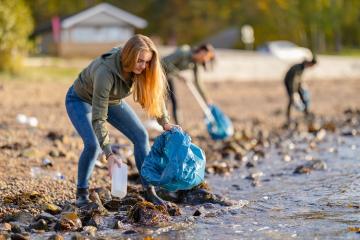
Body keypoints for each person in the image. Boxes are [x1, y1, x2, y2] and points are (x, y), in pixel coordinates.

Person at [65, 34, 179, 207]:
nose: (144, 66)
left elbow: (153, 96)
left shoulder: (142, 68)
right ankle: (82, 194)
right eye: (140, 61)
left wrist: (165, 122)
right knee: (93, 145)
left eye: (147, 61)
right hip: (80, 99)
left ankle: (149, 191)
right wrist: (109, 153)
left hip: (112, 100)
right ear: (129, 56)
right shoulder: (106, 72)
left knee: (141, 135)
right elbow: (98, 117)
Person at [162, 44, 215, 124]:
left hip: (169, 76)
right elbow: (165, 62)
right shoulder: (184, 52)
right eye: (207, 57)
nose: (206, 60)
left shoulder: (196, 64)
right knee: (164, 99)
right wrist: (179, 75)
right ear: (202, 52)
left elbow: (198, 82)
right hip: (159, 73)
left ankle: (179, 125)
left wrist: (206, 98)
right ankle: (160, 122)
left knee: (174, 100)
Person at [284, 57, 317, 123]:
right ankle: (288, 116)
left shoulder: (302, 67)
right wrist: (293, 92)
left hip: (296, 84)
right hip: (289, 83)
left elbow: (298, 79)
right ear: (310, 63)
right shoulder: (298, 68)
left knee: (303, 96)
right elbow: (293, 80)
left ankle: (306, 113)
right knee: (292, 99)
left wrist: (302, 85)